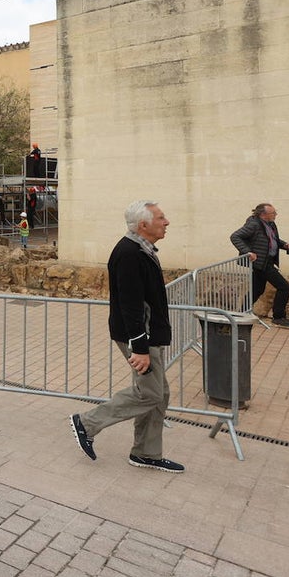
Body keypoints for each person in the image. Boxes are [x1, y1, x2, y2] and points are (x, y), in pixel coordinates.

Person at [69, 200, 184, 474]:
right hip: (140, 337)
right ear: (143, 225)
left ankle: (146, 453)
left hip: (149, 334)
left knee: (159, 394)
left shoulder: (141, 249)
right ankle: (88, 422)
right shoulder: (129, 253)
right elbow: (131, 306)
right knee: (151, 393)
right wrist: (140, 347)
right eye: (161, 217)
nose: (166, 222)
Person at [230, 203, 289, 327]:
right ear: (263, 214)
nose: (276, 215)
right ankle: (279, 317)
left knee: (257, 289)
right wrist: (247, 251)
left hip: (267, 261)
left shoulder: (270, 224)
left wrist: (285, 245)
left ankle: (241, 313)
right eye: (273, 213)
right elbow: (235, 236)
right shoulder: (254, 224)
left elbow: (273, 240)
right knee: (284, 287)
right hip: (261, 262)